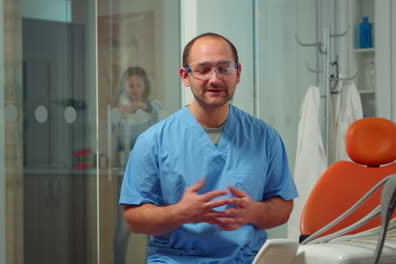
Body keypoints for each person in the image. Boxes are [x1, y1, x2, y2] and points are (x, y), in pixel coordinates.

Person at [118, 32, 299, 264]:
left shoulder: (265, 137)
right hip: (176, 259)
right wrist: (180, 212)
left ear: (238, 73)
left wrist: (254, 212)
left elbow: (283, 206)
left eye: (225, 69)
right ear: (185, 76)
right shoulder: (153, 141)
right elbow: (133, 218)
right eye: (203, 70)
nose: (215, 79)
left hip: (246, 259)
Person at [113, 66, 161, 264]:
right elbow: (112, 133)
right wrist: (124, 113)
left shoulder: (154, 107)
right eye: (131, 85)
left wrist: (144, 107)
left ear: (145, 86)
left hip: (150, 177)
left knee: (152, 227)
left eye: (138, 85)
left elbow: (159, 115)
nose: (134, 89)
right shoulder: (119, 111)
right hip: (124, 176)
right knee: (123, 229)